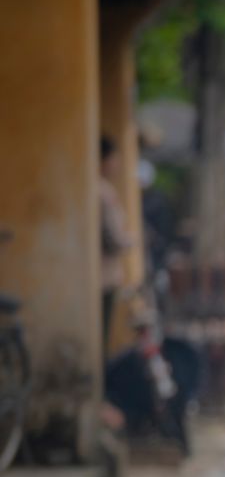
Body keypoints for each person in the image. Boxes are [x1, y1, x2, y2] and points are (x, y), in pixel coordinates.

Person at [98, 136, 134, 356]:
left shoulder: (99, 189)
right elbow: (114, 238)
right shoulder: (103, 192)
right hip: (105, 274)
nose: (117, 164)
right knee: (103, 330)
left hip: (103, 273)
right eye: (114, 159)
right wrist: (130, 240)